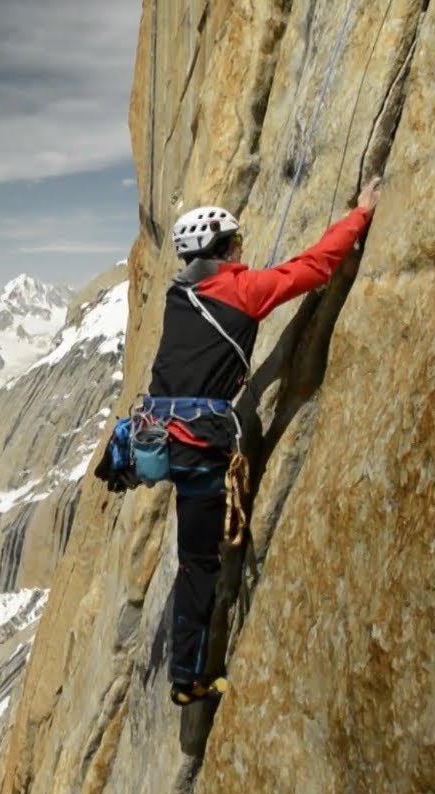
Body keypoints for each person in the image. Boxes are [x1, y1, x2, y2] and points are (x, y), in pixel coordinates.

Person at [155, 178, 382, 705]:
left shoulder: (178, 295)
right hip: (203, 446)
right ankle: (188, 680)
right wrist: (361, 216)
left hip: (170, 439)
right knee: (201, 564)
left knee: (193, 554)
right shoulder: (239, 291)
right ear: (219, 250)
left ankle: (186, 668)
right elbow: (312, 268)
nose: (241, 248)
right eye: (234, 242)